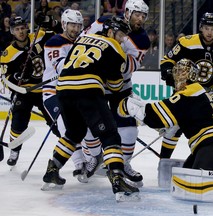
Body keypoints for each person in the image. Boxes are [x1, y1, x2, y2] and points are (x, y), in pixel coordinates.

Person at [41, 16, 140, 202]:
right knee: (110, 135)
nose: (121, 39)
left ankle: (52, 170)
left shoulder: (82, 39)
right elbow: (116, 85)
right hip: (87, 90)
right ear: (110, 31)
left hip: (62, 90)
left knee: (73, 132)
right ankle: (118, 179)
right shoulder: (114, 46)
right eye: (119, 34)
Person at [118, 58, 213, 171]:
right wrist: (164, 158)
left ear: (190, 75)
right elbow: (173, 130)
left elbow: (152, 117)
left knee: (195, 186)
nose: (177, 76)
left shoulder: (185, 95)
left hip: (212, 146)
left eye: (181, 72)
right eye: (177, 72)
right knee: (183, 175)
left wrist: (127, 105)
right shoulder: (200, 93)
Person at [81, 0, 150, 186]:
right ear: (127, 12)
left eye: (143, 16)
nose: (140, 19)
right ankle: (94, 159)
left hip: (121, 86)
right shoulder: (104, 21)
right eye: (137, 14)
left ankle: (124, 163)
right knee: (88, 122)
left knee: (128, 127)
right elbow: (83, 39)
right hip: (97, 84)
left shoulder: (142, 38)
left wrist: (113, 54)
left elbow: (130, 67)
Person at [159, 12, 213, 159]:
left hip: (211, 96)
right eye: (207, 28)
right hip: (186, 93)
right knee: (173, 127)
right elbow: (167, 60)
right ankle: (163, 160)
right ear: (201, 27)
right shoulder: (186, 42)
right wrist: (168, 72)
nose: (209, 32)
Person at [42, 9, 100, 183]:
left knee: (87, 126)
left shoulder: (83, 42)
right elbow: (61, 67)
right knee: (66, 130)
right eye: (72, 25)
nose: (75, 29)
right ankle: (79, 164)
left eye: (78, 25)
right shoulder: (55, 42)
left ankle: (96, 157)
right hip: (54, 92)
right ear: (64, 25)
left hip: (75, 92)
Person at [0, 16, 57, 166]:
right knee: (18, 121)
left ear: (27, 28)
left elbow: (56, 33)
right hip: (24, 92)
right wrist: (16, 77)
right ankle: (15, 150)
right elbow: (4, 78)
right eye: (17, 29)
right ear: (12, 32)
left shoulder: (38, 36)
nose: (21, 31)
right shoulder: (8, 54)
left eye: (22, 28)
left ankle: (72, 147)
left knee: (57, 121)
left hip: (44, 88)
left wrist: (49, 21)